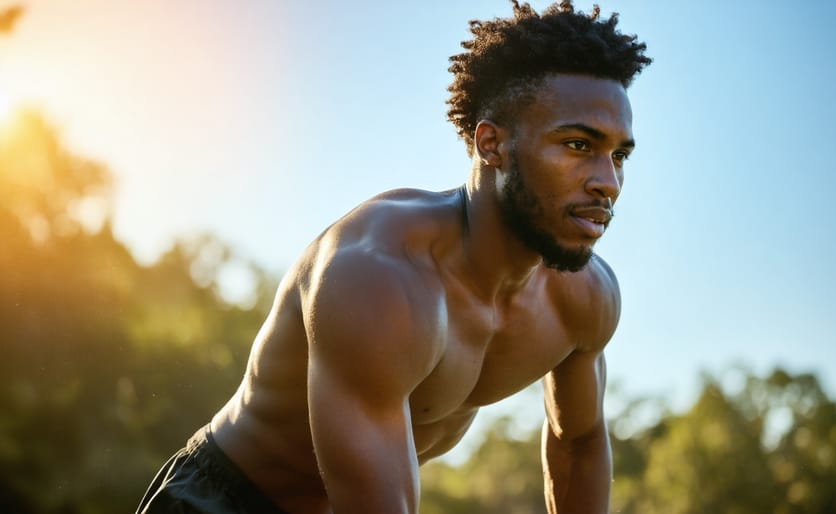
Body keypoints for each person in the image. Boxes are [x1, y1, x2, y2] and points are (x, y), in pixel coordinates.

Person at [137, 1, 650, 513]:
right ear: (491, 144)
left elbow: (579, 446)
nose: (608, 182)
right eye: (578, 145)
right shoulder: (380, 280)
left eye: (619, 155)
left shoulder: (584, 299)